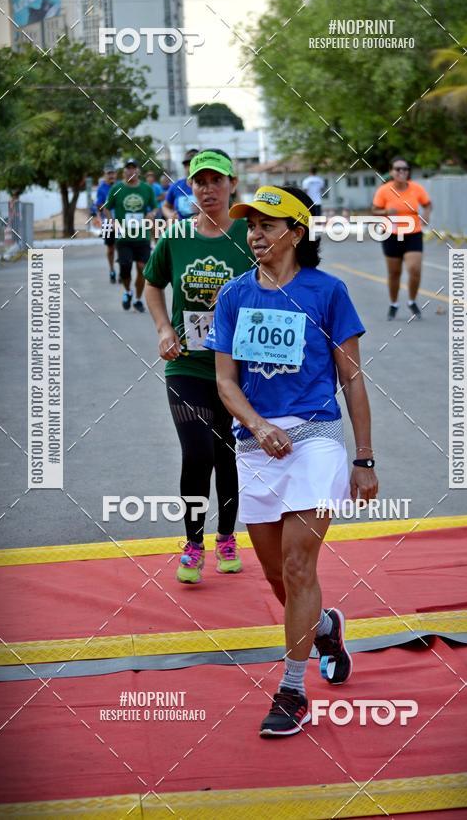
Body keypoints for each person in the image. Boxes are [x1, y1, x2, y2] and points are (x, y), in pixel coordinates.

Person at [204, 184, 378, 737]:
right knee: (280, 578)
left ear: (296, 233)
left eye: (266, 225)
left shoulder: (329, 292)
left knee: (302, 567)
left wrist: (365, 458)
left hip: (317, 439)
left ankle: (293, 690)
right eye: (249, 225)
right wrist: (257, 425)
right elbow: (225, 382)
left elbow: (351, 378)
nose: (254, 234)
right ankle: (325, 626)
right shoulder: (233, 296)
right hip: (257, 445)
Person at [144, 149, 254, 583]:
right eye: (199, 182)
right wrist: (163, 330)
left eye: (216, 180)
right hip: (186, 367)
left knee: (228, 453)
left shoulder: (250, 233)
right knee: (198, 451)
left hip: (237, 370)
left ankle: (226, 536)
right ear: (190, 188)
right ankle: (193, 544)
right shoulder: (175, 237)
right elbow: (153, 286)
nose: (207, 189)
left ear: (232, 185)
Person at [372, 157, 432, 321]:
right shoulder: (384, 190)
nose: (402, 172)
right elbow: (374, 211)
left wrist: (426, 216)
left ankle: (412, 301)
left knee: (414, 269)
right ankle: (394, 303)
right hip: (391, 235)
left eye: (405, 169)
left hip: (413, 234)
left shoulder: (416, 189)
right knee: (394, 273)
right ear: (391, 172)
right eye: (398, 169)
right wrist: (385, 212)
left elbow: (427, 204)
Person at [103, 159, 157, 313]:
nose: (131, 171)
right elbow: (106, 208)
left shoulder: (147, 189)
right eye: (128, 168)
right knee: (125, 267)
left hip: (142, 237)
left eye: (133, 168)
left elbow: (154, 207)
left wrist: (151, 215)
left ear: (138, 171)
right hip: (123, 237)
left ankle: (138, 300)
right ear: (124, 171)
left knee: (142, 268)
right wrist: (112, 222)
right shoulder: (117, 189)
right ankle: (128, 292)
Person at [91, 165, 118, 283]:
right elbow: (99, 206)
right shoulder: (102, 188)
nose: (111, 176)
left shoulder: (120, 186)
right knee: (110, 248)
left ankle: (123, 271)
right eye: (108, 174)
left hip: (121, 222)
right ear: (105, 175)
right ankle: (112, 270)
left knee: (122, 247)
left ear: (116, 174)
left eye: (112, 173)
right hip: (107, 222)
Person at [162, 149, 199, 221]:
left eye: (194, 164)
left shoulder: (208, 187)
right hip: (181, 228)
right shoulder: (176, 186)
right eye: (187, 165)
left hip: (202, 228)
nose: (190, 167)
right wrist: (170, 215)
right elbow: (165, 207)